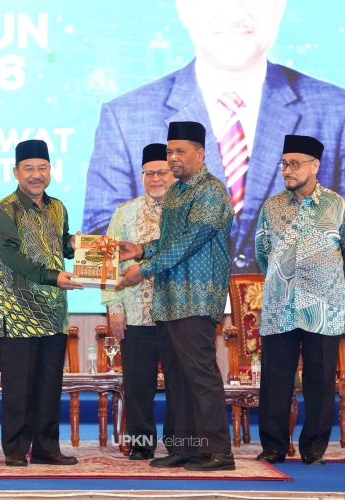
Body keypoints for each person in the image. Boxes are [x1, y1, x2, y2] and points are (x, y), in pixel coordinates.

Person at [82, 0, 345, 276]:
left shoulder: (336, 108)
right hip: (169, 311)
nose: (236, 10)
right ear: (184, 7)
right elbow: (99, 237)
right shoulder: (124, 116)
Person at [116, 121, 234, 471]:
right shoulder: (176, 192)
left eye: (180, 151)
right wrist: (141, 249)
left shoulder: (211, 191)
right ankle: (186, 448)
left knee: (200, 377)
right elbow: (169, 243)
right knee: (178, 381)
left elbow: (191, 240)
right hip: (168, 301)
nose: (173, 158)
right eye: (170, 152)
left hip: (196, 297)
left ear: (200, 153)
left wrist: (145, 268)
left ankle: (218, 452)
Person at [254, 134, 345, 465]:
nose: (287, 170)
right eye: (284, 164)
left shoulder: (337, 206)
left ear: (314, 166)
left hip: (322, 307)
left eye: (295, 164)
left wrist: (334, 287)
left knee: (320, 381)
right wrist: (281, 278)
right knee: (275, 381)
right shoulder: (272, 207)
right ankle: (273, 446)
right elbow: (262, 252)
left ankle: (314, 448)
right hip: (280, 305)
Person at [0, 139, 84, 467]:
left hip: (53, 313)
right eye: (28, 168)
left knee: (49, 385)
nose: (36, 174)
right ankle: (15, 449)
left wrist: (79, 244)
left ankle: (46, 447)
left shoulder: (58, 207)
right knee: (19, 386)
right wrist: (53, 276)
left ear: (50, 171)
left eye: (42, 168)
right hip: (15, 313)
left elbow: (61, 245)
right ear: (16, 172)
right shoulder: (4, 211)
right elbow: (13, 257)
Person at [101, 143, 176, 461]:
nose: (155, 178)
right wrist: (114, 307)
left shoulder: (186, 212)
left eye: (162, 172)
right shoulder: (125, 212)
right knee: (137, 385)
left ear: (174, 173)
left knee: (179, 385)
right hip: (135, 312)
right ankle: (141, 444)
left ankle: (178, 443)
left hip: (178, 313)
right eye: (149, 173)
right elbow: (106, 261)